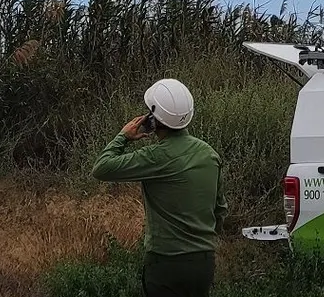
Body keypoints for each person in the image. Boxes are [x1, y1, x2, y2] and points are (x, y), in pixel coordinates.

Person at [91, 78, 226, 297]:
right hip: (203, 262)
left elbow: (101, 168)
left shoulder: (155, 157)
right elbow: (220, 209)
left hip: (166, 263)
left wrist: (123, 137)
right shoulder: (209, 154)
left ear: (153, 119)